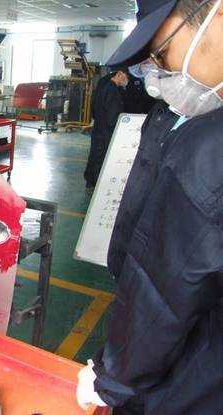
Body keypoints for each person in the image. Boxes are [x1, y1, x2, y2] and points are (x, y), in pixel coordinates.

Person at [76, 0, 223, 414]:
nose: (160, 75)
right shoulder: (177, 118)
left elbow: (166, 291)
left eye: (162, 52)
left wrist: (113, 378)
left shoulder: (210, 146)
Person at [84, 69, 129, 189]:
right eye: (126, 77)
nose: (126, 81)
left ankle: (90, 180)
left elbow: (93, 106)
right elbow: (113, 116)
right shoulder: (112, 91)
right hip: (106, 130)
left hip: (98, 126)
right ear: (119, 74)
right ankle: (97, 183)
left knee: (94, 155)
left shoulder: (103, 86)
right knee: (101, 157)